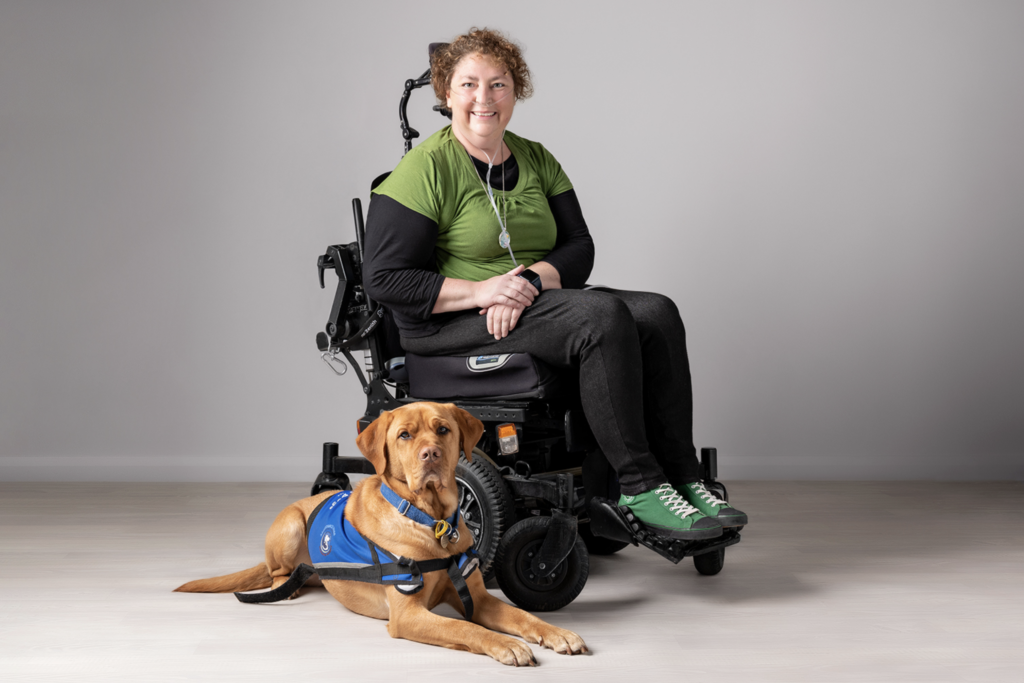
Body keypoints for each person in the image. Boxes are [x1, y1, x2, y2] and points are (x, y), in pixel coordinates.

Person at [363, 28, 747, 540]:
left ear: (515, 91)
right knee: (599, 317)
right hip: (447, 324)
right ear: (447, 92)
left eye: (498, 84)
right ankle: (639, 485)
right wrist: (485, 292)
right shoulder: (424, 169)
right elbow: (385, 279)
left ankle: (683, 475)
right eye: (469, 84)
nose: (484, 98)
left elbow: (579, 247)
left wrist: (525, 283)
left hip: (524, 305)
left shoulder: (536, 158)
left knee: (656, 310)